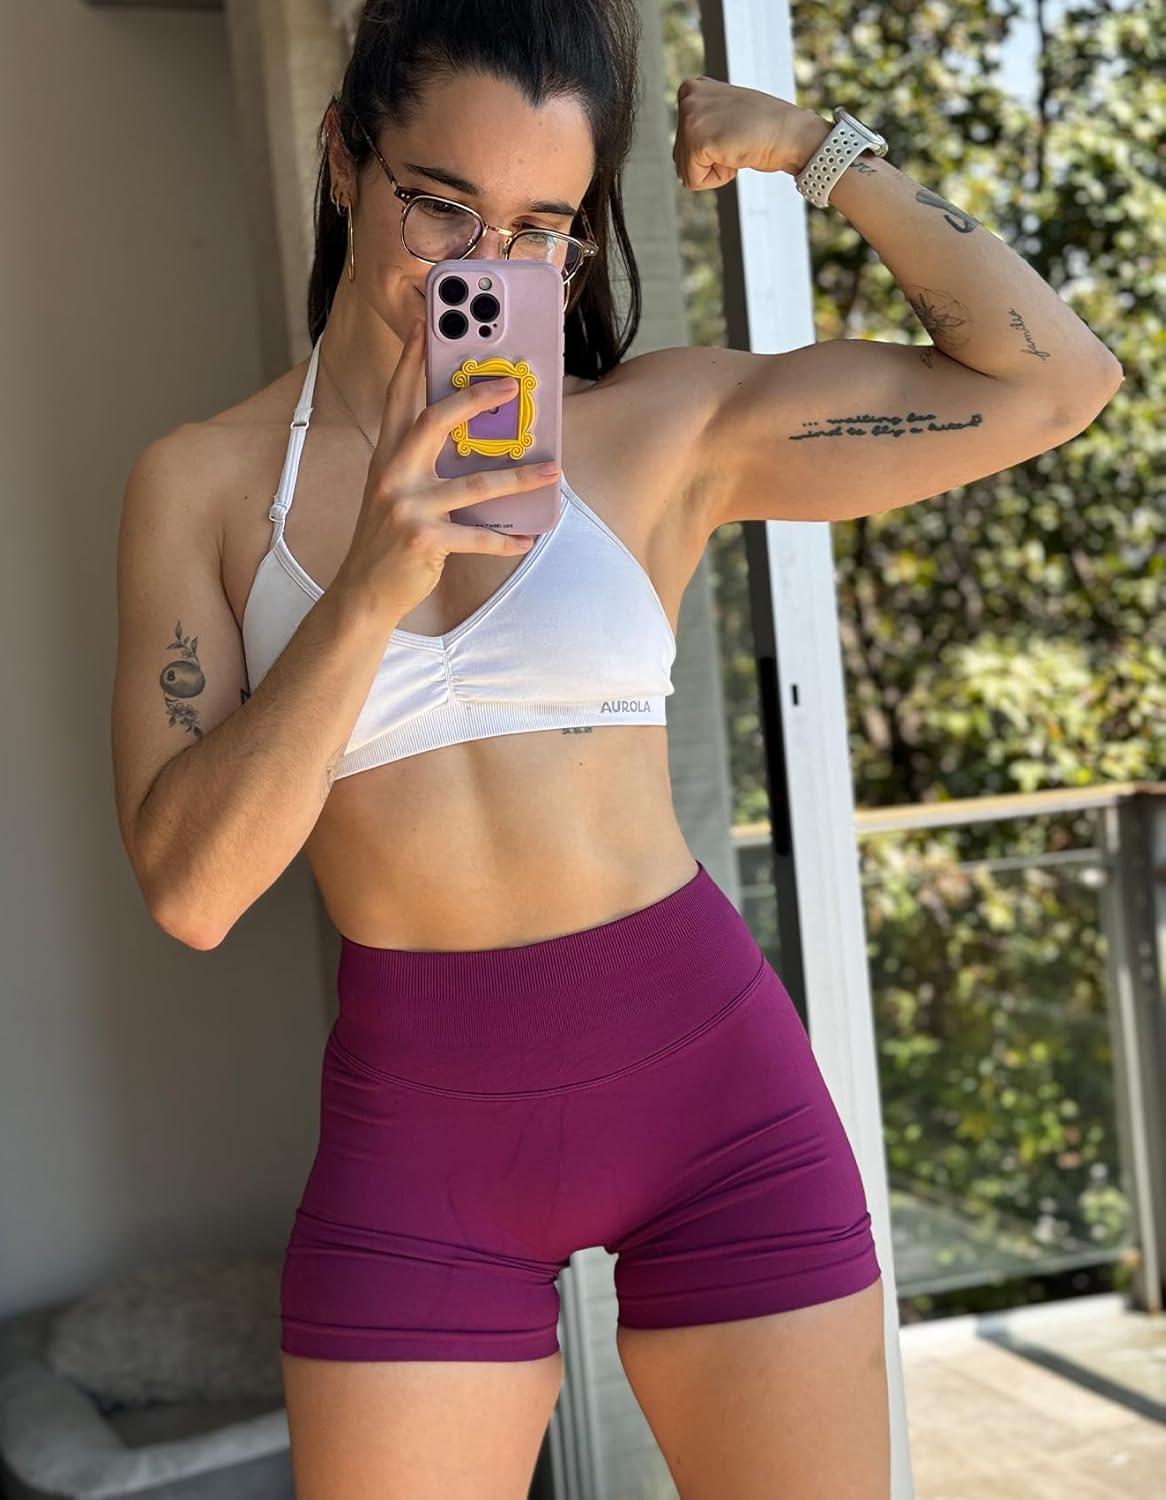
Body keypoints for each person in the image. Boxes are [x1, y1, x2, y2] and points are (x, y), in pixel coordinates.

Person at [111, 0, 1123, 1494]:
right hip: (419, 1147)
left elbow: (1053, 385)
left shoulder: (659, 433)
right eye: (438, 203)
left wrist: (817, 151)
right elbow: (192, 891)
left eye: (540, 229)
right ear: (342, 158)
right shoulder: (201, 485)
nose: (477, 263)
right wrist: (370, 589)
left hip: (713, 1097)